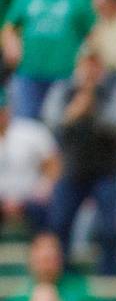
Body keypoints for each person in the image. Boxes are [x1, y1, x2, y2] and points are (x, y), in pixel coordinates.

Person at [41, 48, 116, 276]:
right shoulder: (64, 89)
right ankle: (63, 274)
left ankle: (110, 274)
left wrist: (94, 110)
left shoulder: (114, 89)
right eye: (86, 63)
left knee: (110, 228)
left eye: (95, 63)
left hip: (106, 171)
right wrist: (74, 112)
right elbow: (50, 120)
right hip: (72, 171)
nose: (90, 69)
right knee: (59, 223)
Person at [0, 0, 95, 120]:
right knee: (25, 126)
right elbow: (9, 28)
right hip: (28, 74)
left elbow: (92, 32)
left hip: (64, 75)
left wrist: (85, 60)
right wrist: (11, 44)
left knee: (56, 124)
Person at [0, 84, 58, 234]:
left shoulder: (30, 130)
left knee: (49, 210)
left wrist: (42, 189)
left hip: (31, 198)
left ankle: (44, 248)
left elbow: (53, 165)